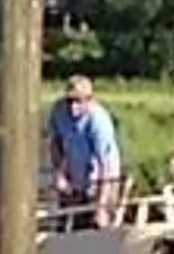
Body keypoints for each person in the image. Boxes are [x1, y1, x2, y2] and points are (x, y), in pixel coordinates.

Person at [46, 75, 123, 229]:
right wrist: (59, 174)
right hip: (75, 177)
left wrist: (101, 206)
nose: (73, 107)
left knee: (98, 225)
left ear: (89, 100)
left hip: (101, 179)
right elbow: (56, 143)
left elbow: (105, 164)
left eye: (79, 101)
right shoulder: (58, 111)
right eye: (70, 101)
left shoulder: (98, 120)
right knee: (67, 223)